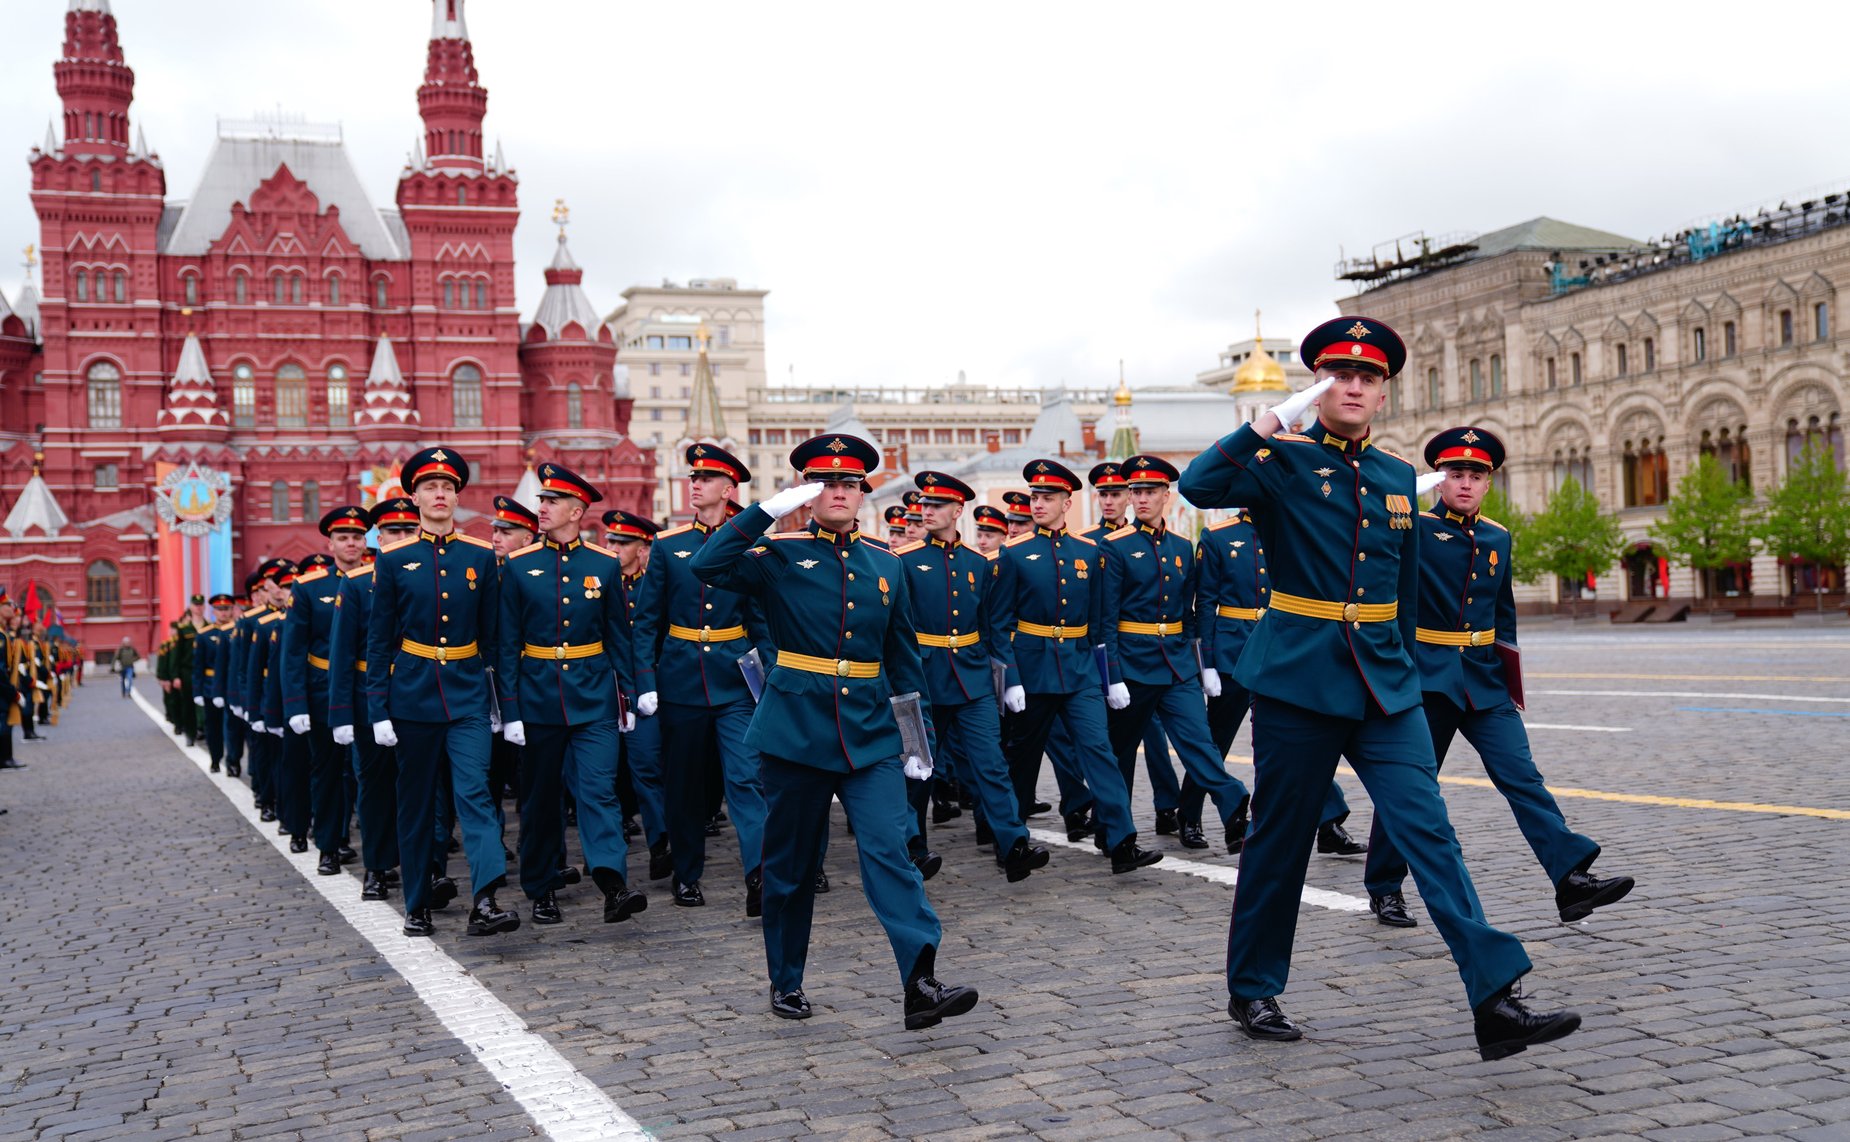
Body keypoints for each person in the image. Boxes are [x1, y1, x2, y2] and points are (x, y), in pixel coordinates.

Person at [1179, 315, 1580, 1061]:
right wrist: (1265, 424)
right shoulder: (1283, 459)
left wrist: (1417, 668)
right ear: (1320, 386)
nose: (1354, 385)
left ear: (1384, 392)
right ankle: (1253, 985)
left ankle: (1495, 997)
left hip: (1385, 682)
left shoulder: (1398, 477)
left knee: (1429, 829)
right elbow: (1199, 487)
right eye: (1340, 375)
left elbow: (1399, 588)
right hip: (1299, 676)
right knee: (1281, 838)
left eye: (1368, 377)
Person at [691, 433, 979, 1030]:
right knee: (791, 866)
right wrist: (764, 513)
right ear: (808, 493)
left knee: (890, 852)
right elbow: (706, 564)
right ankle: (786, 979)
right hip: (796, 730)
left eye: (850, 484)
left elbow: (903, 659)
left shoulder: (886, 564)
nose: (841, 492)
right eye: (827, 484)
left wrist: (917, 738)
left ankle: (920, 980)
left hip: (870, 733)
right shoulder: (778, 557)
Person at [1361, 427, 1634, 929]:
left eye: (1476, 475)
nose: (1465, 483)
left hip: (1484, 681)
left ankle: (1569, 878)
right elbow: (1373, 551)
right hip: (1426, 679)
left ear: (1489, 483)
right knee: (1412, 787)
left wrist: (1512, 682)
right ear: (1440, 480)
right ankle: (1384, 885)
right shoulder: (1414, 528)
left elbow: (1501, 615)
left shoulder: (1497, 536)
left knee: (1523, 778)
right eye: (1455, 474)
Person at [366, 447, 515, 939]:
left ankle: (487, 898)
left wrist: (503, 706)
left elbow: (495, 638)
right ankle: (417, 901)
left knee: (474, 794)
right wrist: (378, 707)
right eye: (430, 487)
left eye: (448, 487)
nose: (439, 494)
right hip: (412, 696)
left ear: (457, 496)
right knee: (416, 802)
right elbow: (379, 640)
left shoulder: (480, 557)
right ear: (414, 497)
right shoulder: (393, 560)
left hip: (469, 693)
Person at [991, 458, 1161, 874]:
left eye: (1048, 497)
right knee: (1022, 759)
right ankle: (1011, 844)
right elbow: (998, 623)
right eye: (1035, 496)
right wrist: (1010, 678)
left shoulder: (1090, 551)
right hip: (1031, 671)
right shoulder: (1013, 553)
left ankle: (1121, 841)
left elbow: (1101, 621)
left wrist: (1110, 677)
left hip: (1080, 668)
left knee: (1100, 752)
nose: (1038, 504)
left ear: (1068, 502)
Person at [497, 462, 648, 927]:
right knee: (541, 799)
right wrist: (510, 709)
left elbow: (619, 636)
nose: (541, 508)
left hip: (594, 696)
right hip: (538, 697)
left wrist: (628, 696)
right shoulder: (518, 566)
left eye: (551, 502)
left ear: (577, 511)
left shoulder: (603, 565)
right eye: (541, 501)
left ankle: (612, 884)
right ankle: (541, 888)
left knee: (599, 793)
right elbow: (506, 643)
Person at [631, 444, 770, 914]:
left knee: (747, 778)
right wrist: (646, 681)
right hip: (681, 680)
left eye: (707, 478)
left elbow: (760, 620)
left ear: (729, 489)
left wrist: (768, 676)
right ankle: (687, 874)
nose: (695, 484)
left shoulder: (751, 545)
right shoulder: (669, 547)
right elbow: (647, 621)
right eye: (693, 477)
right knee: (685, 785)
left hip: (734, 680)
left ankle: (759, 874)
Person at [895, 470, 1050, 882]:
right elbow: (896, 628)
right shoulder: (906, 562)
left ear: (956, 510)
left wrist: (1008, 677)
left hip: (972, 677)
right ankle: (912, 848)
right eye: (924, 505)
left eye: (936, 506)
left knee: (992, 764)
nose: (926, 511)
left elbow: (992, 626)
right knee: (918, 768)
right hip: (923, 680)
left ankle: (1013, 844)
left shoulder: (979, 564)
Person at [1097, 455, 1252, 851]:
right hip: (1132, 664)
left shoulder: (1183, 547)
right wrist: (1111, 675)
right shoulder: (1114, 548)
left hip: (1177, 662)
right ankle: (1114, 831)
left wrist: (1204, 665)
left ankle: (1234, 805)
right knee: (1119, 753)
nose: (1142, 499)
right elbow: (1106, 619)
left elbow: (1192, 613)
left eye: (1150, 491)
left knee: (1199, 743)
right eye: (1136, 492)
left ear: (1167, 495)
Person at [1191, 509, 1366, 855]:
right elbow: (1206, 604)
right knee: (1215, 740)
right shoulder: (1217, 536)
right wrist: (1206, 663)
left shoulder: (1295, 529)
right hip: (1233, 650)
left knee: (1297, 737)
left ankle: (1328, 823)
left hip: (1282, 650)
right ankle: (1189, 813)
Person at [330, 497, 418, 902]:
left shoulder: (434, 574)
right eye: (392, 532)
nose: (401, 538)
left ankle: (425, 865)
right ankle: (378, 866)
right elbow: (343, 655)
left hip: (422, 693)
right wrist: (341, 713)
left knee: (424, 785)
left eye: (408, 530)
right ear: (377, 538)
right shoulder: (358, 582)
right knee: (375, 786)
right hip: (373, 697)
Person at [284, 508, 372, 877]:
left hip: (370, 690)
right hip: (323, 693)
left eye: (356, 536)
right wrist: (296, 703)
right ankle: (330, 846)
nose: (350, 543)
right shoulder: (309, 587)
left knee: (371, 775)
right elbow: (293, 650)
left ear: (365, 541)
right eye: (343, 537)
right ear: (331, 543)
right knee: (330, 773)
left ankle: (380, 854)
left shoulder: (381, 580)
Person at [606, 508, 672, 881]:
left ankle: (660, 841)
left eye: (622, 542)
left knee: (647, 766)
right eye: (611, 540)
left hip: (648, 689)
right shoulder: (600, 580)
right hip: (607, 689)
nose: (613, 547)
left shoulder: (652, 583)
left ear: (643, 548)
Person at [192, 593, 234, 772]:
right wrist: (197, 692)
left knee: (233, 727)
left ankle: (233, 760)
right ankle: (215, 759)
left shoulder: (239, 631)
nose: (223, 613)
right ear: (213, 611)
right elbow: (198, 666)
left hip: (232, 685)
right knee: (213, 725)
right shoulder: (204, 635)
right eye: (219, 609)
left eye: (226, 609)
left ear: (232, 610)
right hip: (210, 685)